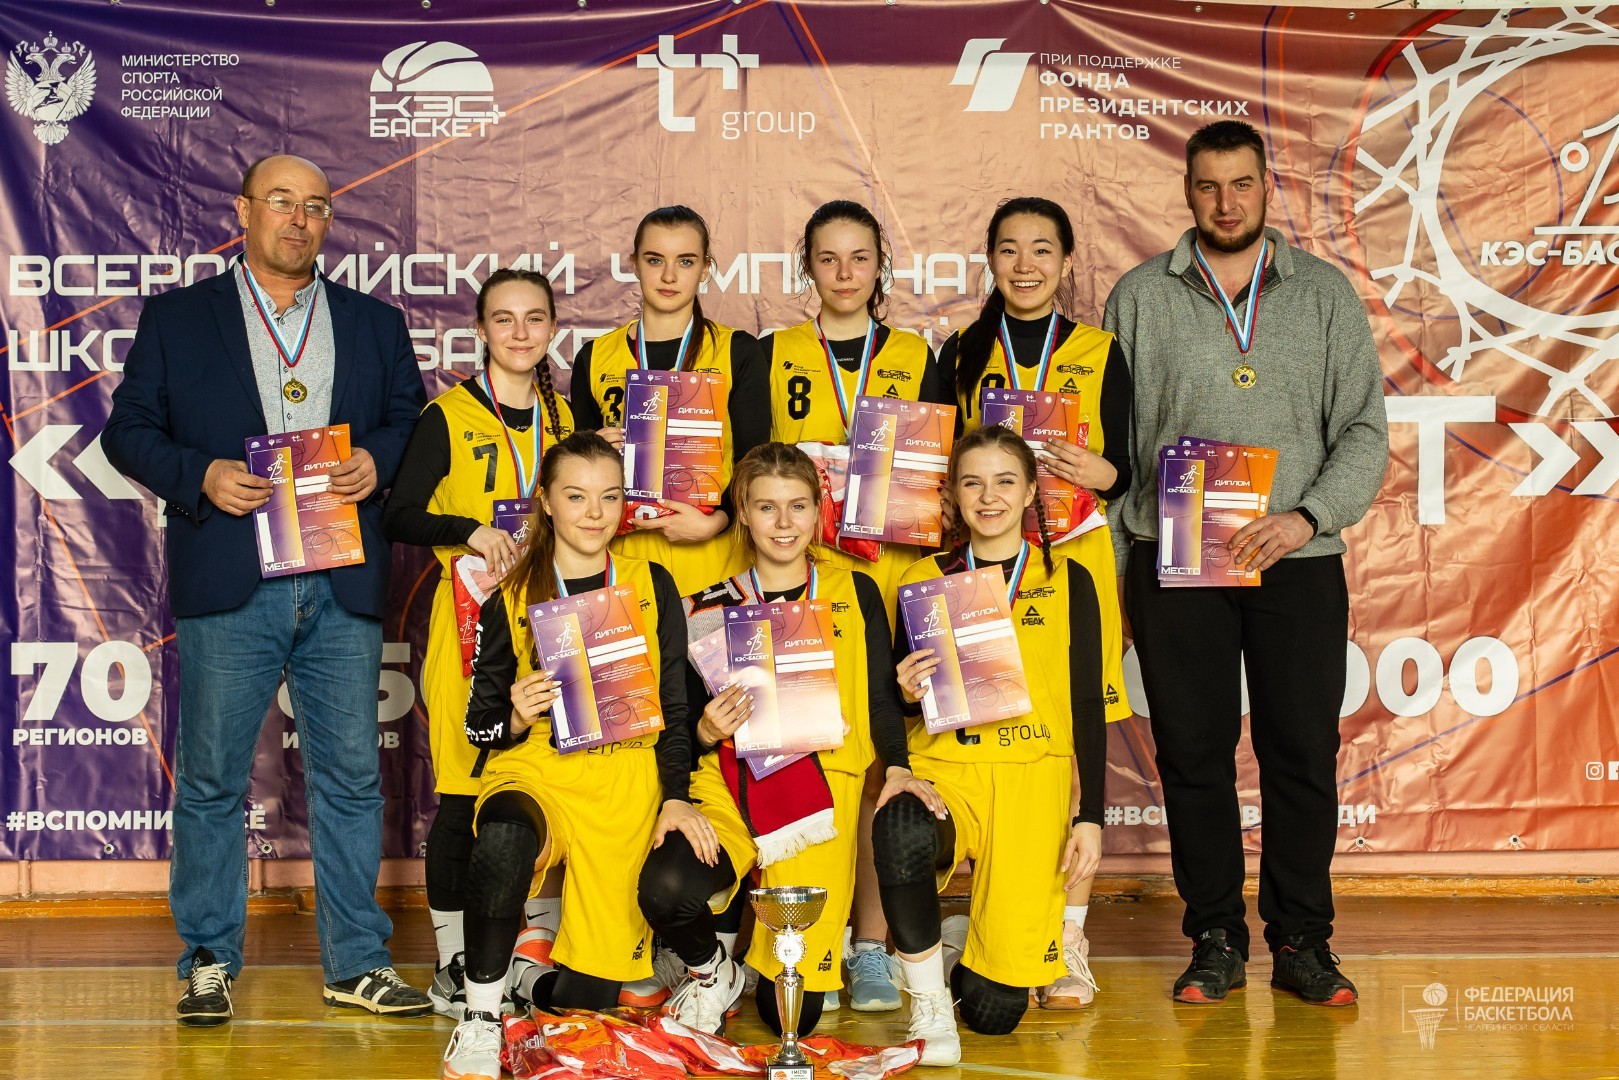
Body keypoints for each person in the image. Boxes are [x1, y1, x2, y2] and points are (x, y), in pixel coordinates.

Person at [102, 154, 430, 1024]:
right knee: (212, 780)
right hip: (232, 573)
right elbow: (126, 432)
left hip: (339, 575)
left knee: (351, 779)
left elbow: (409, 419)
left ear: (327, 222)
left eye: (315, 206)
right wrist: (201, 475)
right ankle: (208, 961)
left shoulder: (373, 322)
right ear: (242, 210)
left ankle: (357, 963)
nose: (298, 219)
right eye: (281, 201)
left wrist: (378, 459)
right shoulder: (179, 318)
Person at [1103, 119, 1388, 1006]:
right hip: (1173, 557)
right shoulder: (1138, 296)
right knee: (1192, 754)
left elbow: (1364, 431)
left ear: (1268, 188)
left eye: (1241, 185)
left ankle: (1302, 940)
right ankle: (1215, 937)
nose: (1225, 203)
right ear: (1186, 192)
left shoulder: (1323, 294)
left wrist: (1306, 518)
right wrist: (1112, 576)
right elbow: (1114, 452)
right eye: (1207, 186)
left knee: (1300, 752)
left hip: (1293, 558)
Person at [439, 432, 701, 1080]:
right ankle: (480, 1017)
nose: (594, 512)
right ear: (546, 503)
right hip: (538, 770)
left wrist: (674, 795)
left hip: (624, 778)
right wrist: (514, 715)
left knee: (593, 1000)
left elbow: (674, 706)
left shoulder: (650, 582)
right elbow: (478, 728)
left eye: (609, 497)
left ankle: (526, 977)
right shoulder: (509, 594)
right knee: (502, 841)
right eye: (576, 496)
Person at [634, 442, 907, 1035]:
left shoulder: (855, 592)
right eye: (766, 507)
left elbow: (883, 699)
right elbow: (679, 726)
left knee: (792, 1015)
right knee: (666, 889)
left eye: (798, 506)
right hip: (730, 787)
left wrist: (900, 764)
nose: (784, 523)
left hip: (819, 800)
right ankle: (714, 971)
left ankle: (794, 955)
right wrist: (706, 729)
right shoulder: (706, 609)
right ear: (743, 512)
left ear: (818, 510)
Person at [938, 196, 1134, 1008]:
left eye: (1042, 249)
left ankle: (1067, 938)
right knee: (997, 740)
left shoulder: (1100, 350)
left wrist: (1100, 473)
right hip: (984, 564)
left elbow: (1125, 466)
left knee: (1072, 742)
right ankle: (998, 917)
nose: (1025, 265)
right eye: (1010, 249)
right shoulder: (960, 352)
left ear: (1066, 261)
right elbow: (940, 465)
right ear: (989, 260)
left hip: (1071, 561)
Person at [763, 200, 950, 1012]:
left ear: (881, 267)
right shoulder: (771, 354)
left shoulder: (914, 355)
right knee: (789, 750)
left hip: (892, 581)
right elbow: (750, 468)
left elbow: (940, 476)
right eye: (828, 258)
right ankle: (791, 939)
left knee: (881, 760)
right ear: (806, 265)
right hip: (801, 580)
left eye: (859, 258)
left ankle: (870, 945)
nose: (844, 273)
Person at [874, 423, 1106, 1065]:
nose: (989, 496)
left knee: (993, 1013)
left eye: (1005, 481)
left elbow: (1088, 703)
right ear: (953, 493)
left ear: (1031, 491)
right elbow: (902, 697)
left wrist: (1090, 817)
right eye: (972, 483)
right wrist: (904, 688)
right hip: (948, 767)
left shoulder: (1071, 578)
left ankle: (960, 940)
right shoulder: (924, 577)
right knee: (900, 828)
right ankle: (927, 1002)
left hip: (1033, 778)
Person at [382, 268, 575, 1018]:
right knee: (464, 795)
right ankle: (452, 963)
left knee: (540, 790)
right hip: (470, 625)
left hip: (551, 626)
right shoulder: (448, 416)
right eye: (504, 319)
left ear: (552, 327)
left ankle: (524, 952)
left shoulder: (566, 419)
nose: (520, 333)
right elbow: (399, 514)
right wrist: (469, 530)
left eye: (534, 318)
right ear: (481, 330)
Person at [570, 205, 770, 595]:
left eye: (686, 261)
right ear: (634, 263)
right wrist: (591, 451)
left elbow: (756, 463)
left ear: (706, 268)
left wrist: (717, 521)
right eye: (655, 260)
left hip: (714, 555)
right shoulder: (594, 357)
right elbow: (575, 477)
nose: (669, 276)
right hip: (625, 555)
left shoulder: (737, 351)